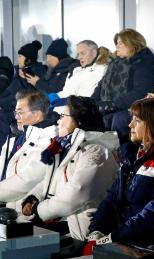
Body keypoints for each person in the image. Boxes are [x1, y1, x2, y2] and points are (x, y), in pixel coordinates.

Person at [88, 98, 154, 246]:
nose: (130, 125)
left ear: (153, 124)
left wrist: (114, 237)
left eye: (137, 120)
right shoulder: (134, 155)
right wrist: (97, 230)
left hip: (146, 245)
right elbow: (112, 198)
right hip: (122, 238)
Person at [20, 95, 119, 241]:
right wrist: (34, 197)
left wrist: (39, 209)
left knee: (19, 241)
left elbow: (76, 193)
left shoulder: (96, 151)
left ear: (79, 120)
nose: (58, 121)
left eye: (62, 116)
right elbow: (52, 180)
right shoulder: (68, 147)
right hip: (60, 220)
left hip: (79, 231)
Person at [92, 28, 154, 135]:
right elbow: (101, 86)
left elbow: (141, 92)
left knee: (117, 118)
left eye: (120, 43)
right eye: (116, 43)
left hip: (127, 108)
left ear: (132, 44)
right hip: (108, 107)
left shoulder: (143, 65)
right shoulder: (114, 64)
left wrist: (113, 104)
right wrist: (92, 102)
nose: (117, 46)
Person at [0, 90, 57, 208]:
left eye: (20, 112)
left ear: (36, 114)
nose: (16, 117)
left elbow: (28, 179)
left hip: (23, 213)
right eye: (15, 112)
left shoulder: (50, 139)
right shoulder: (17, 137)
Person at [0, 40, 47, 146]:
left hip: (20, 108)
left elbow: (27, 96)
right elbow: (9, 93)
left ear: (28, 60)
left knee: (2, 117)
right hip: (10, 104)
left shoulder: (35, 73)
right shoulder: (20, 72)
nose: (18, 59)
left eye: (20, 57)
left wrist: (26, 80)